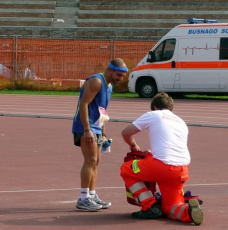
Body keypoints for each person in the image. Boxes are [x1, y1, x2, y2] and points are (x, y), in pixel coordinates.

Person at [120, 92, 204, 225]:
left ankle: (150, 205)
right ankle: (188, 212)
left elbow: (126, 133)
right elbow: (169, 148)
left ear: (154, 107)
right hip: (181, 170)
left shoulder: (153, 115)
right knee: (170, 207)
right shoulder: (181, 122)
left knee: (126, 168)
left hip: (161, 165)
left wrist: (134, 145)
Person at [72, 58, 128, 211]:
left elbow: (101, 111)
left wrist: (103, 132)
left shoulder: (109, 86)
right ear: (109, 70)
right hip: (85, 127)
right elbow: (84, 104)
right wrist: (86, 129)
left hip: (97, 127)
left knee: (96, 162)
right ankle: (83, 198)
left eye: (122, 76)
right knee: (90, 160)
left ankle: (92, 195)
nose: (120, 79)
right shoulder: (96, 81)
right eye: (118, 75)